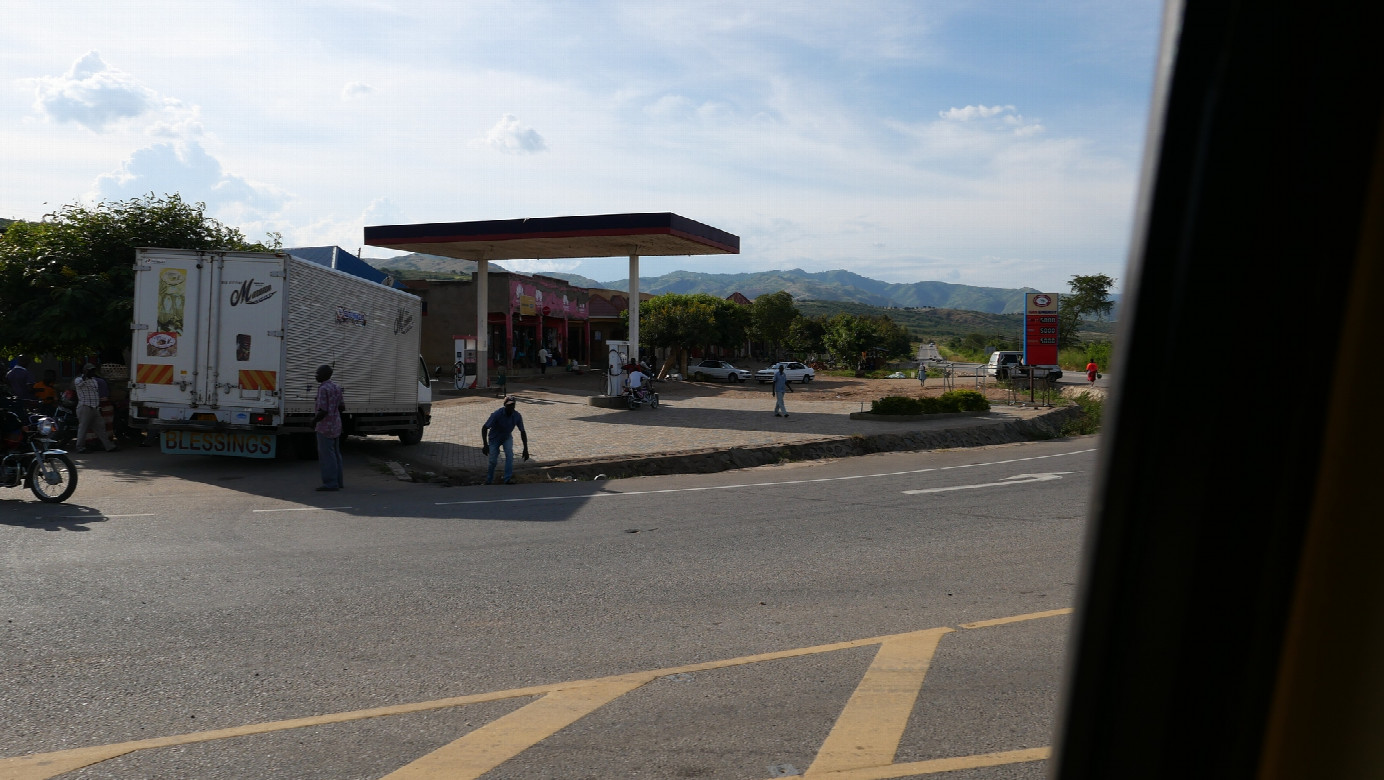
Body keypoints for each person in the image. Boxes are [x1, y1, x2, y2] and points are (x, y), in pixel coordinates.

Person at [481, 395, 528, 484]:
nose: (511, 408)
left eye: (513, 405)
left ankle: (507, 479)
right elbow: (484, 428)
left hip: (506, 437)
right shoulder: (497, 414)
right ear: (505, 405)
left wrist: (525, 448)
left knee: (510, 456)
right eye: (509, 405)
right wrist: (485, 445)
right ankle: (489, 480)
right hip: (494, 438)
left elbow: (522, 431)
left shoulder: (517, 415)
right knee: (493, 461)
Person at [313, 364, 345, 491]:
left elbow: (323, 411)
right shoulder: (337, 387)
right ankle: (338, 481)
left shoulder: (323, 389)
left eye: (318, 374)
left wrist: (313, 421)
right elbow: (342, 407)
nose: (316, 376)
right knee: (336, 454)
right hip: (336, 424)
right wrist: (334, 411)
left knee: (326, 456)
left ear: (325, 375)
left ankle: (330, 483)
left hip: (324, 426)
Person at [73, 363, 118, 453]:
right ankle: (80, 447)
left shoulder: (94, 380)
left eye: (93, 370)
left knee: (101, 428)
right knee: (83, 428)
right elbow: (79, 384)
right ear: (85, 371)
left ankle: (109, 446)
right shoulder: (79, 379)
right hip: (85, 407)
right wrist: (85, 375)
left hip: (95, 407)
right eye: (90, 370)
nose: (93, 372)